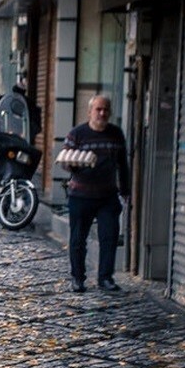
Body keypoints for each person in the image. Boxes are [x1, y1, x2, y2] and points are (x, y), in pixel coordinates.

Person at [61, 95, 130, 293]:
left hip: (107, 196)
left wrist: (125, 190)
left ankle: (105, 278)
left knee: (109, 237)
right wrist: (76, 163)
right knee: (78, 239)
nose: (102, 113)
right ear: (90, 111)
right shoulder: (77, 134)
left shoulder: (116, 134)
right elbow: (65, 162)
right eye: (98, 109)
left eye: (106, 109)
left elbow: (122, 164)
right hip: (80, 195)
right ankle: (77, 278)